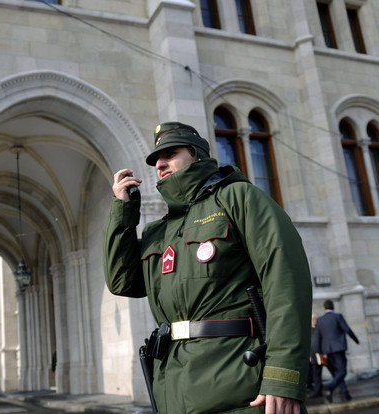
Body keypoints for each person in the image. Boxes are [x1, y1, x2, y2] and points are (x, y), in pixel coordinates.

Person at [103, 121, 312, 414]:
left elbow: (286, 282)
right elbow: (122, 281)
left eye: (170, 153)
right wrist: (122, 213)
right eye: (155, 160)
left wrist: (283, 377)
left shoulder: (238, 197)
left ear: (197, 155)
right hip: (174, 389)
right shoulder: (158, 232)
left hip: (241, 386)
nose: (160, 163)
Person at [313, 300, 359, 403]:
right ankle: (330, 387)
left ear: (324, 308)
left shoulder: (320, 320)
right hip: (338, 349)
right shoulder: (338, 316)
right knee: (342, 371)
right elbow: (347, 329)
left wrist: (319, 352)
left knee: (337, 373)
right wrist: (356, 340)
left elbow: (317, 337)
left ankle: (345, 393)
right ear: (333, 307)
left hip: (327, 351)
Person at [307, 313, 324, 398]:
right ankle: (317, 390)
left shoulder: (317, 329)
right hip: (313, 356)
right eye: (313, 320)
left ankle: (318, 390)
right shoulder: (309, 330)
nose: (315, 321)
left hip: (318, 356)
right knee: (316, 375)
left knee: (317, 375)